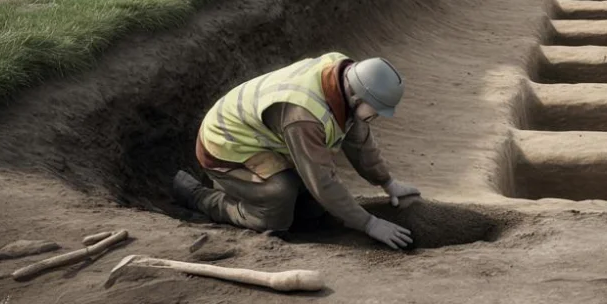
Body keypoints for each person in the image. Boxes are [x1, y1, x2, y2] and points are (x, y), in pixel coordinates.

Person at [172, 52, 421, 250]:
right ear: (357, 97)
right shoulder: (304, 116)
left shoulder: (344, 77)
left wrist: (387, 182)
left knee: (310, 210)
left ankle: (249, 190)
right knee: (277, 210)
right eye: (376, 110)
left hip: (262, 140)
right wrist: (369, 224)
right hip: (225, 147)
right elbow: (322, 181)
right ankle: (201, 196)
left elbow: (357, 136)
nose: (377, 116)